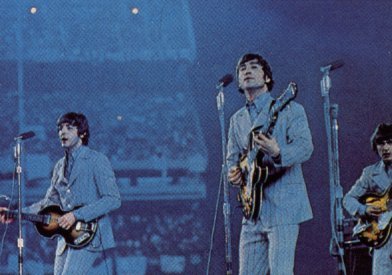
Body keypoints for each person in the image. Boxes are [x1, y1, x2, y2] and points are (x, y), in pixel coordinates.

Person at [1, 112, 121, 274]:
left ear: (82, 133)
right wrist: (16, 213)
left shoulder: (97, 160)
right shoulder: (59, 166)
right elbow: (47, 203)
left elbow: (113, 199)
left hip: (90, 235)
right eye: (60, 129)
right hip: (66, 238)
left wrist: (76, 215)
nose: (62, 132)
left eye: (69, 128)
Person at [227, 53, 313, 274]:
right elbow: (231, 158)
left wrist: (278, 152)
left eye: (254, 67)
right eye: (242, 68)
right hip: (252, 211)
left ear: (266, 78)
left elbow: (305, 147)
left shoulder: (291, 109)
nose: (247, 71)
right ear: (238, 81)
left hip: (283, 207)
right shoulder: (236, 120)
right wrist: (233, 173)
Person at [343, 123, 392, 275]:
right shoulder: (370, 173)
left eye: (390, 142)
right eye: (381, 143)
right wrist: (364, 210)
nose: (385, 148)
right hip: (382, 242)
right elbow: (348, 199)